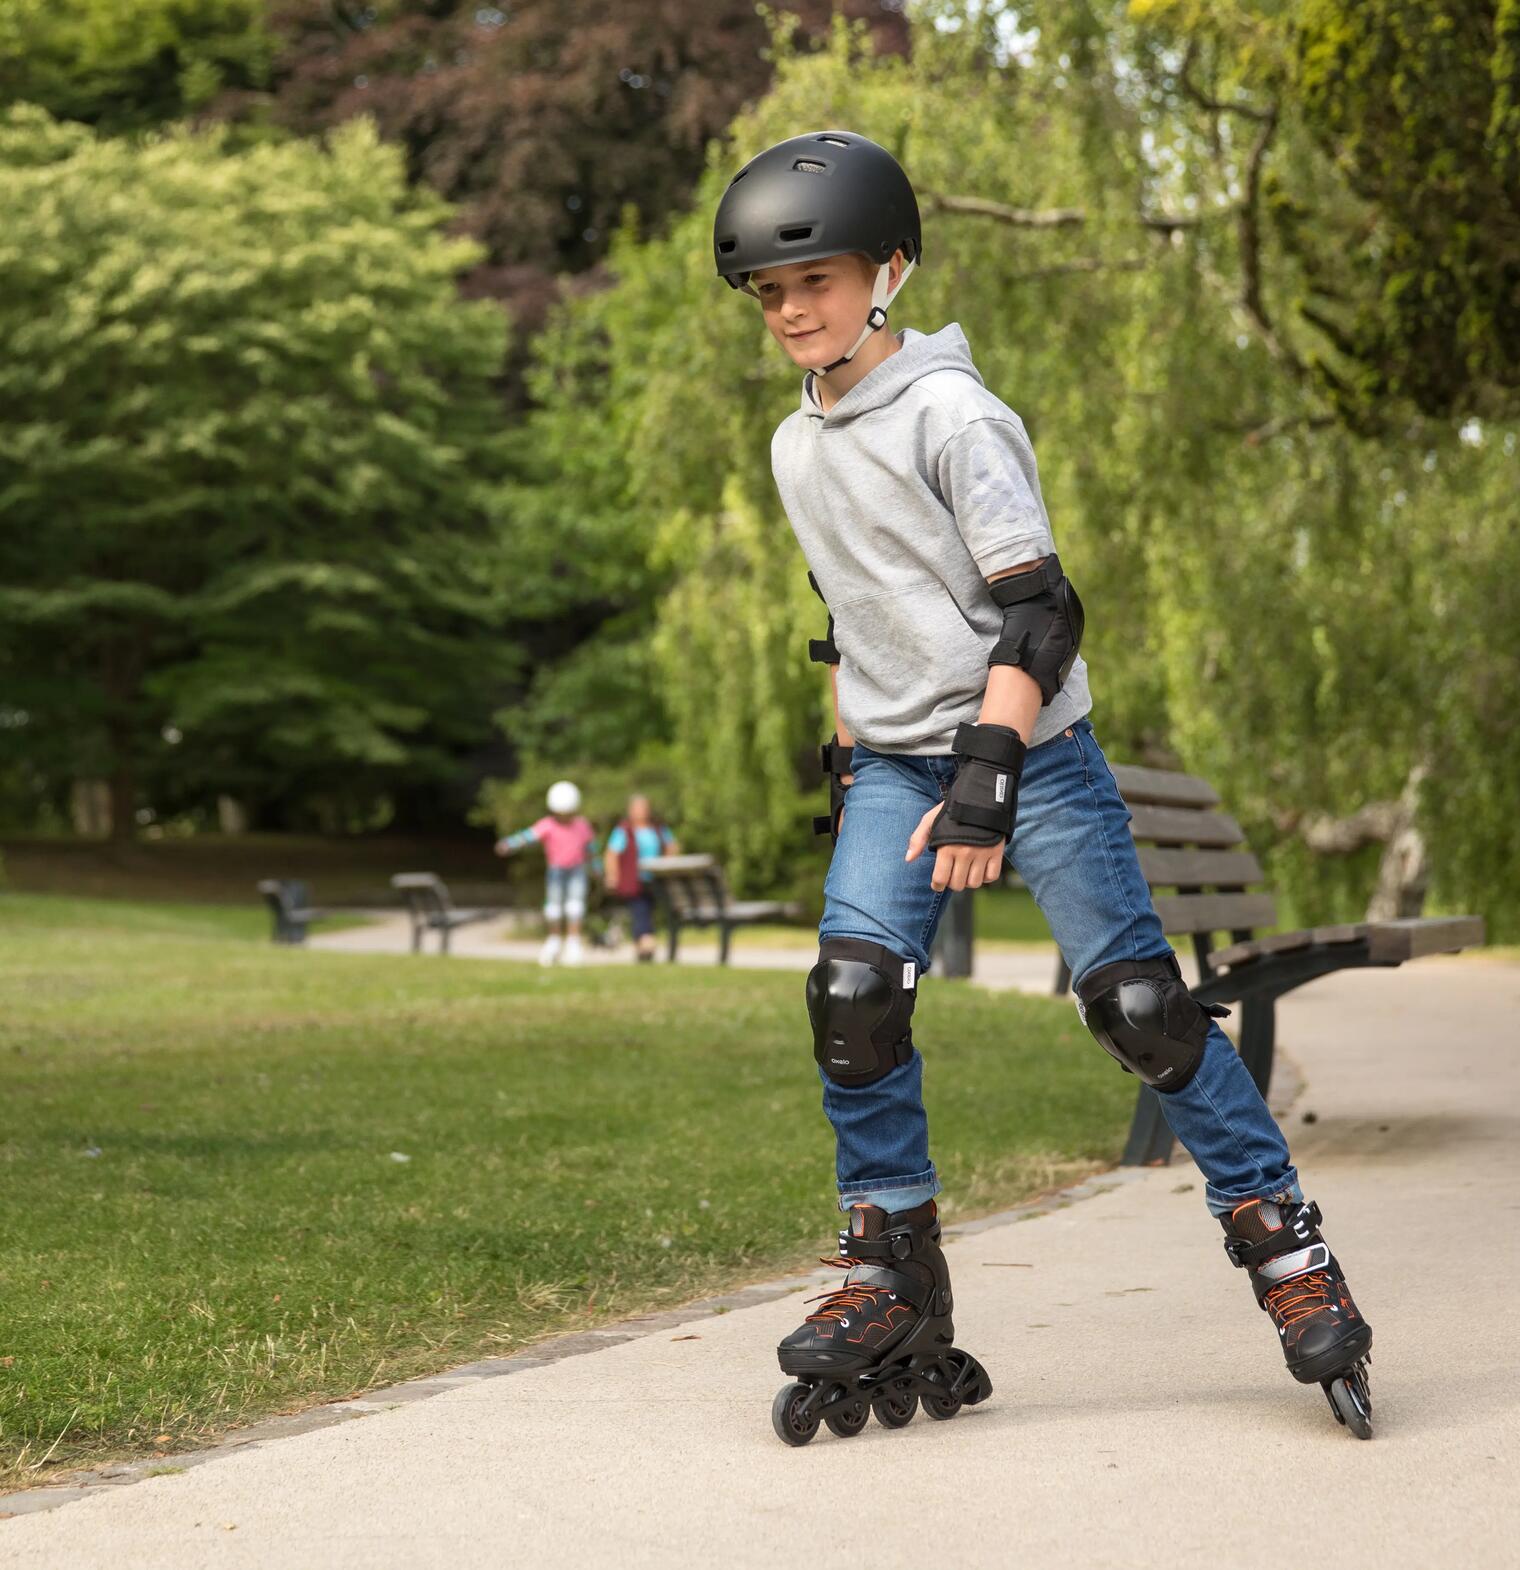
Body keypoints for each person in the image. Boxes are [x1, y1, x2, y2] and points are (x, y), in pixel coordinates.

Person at [714, 131, 1375, 1446]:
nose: (794, 310)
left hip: (1036, 755)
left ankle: (1285, 1243)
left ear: (888, 269)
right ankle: (890, 1269)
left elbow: (1043, 614)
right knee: (851, 997)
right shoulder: (798, 446)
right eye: (770, 294)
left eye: (821, 282)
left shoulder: (956, 416)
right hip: (902, 765)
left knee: (1139, 1007)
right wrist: (858, 770)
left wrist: (987, 773)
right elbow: (849, 616)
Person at [495, 780, 598, 967]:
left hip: (577, 870)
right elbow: (528, 836)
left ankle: (573, 942)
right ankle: (554, 940)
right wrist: (509, 844)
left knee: (575, 906)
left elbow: (590, 848)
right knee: (554, 907)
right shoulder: (548, 824)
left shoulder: (582, 825)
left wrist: (597, 868)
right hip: (556, 871)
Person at [603, 794, 678, 963]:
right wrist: (612, 875)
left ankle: (643, 947)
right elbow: (611, 854)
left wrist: (667, 864)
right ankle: (646, 942)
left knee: (647, 912)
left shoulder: (658, 828)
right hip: (634, 879)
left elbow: (672, 846)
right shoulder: (624, 830)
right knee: (640, 911)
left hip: (656, 879)